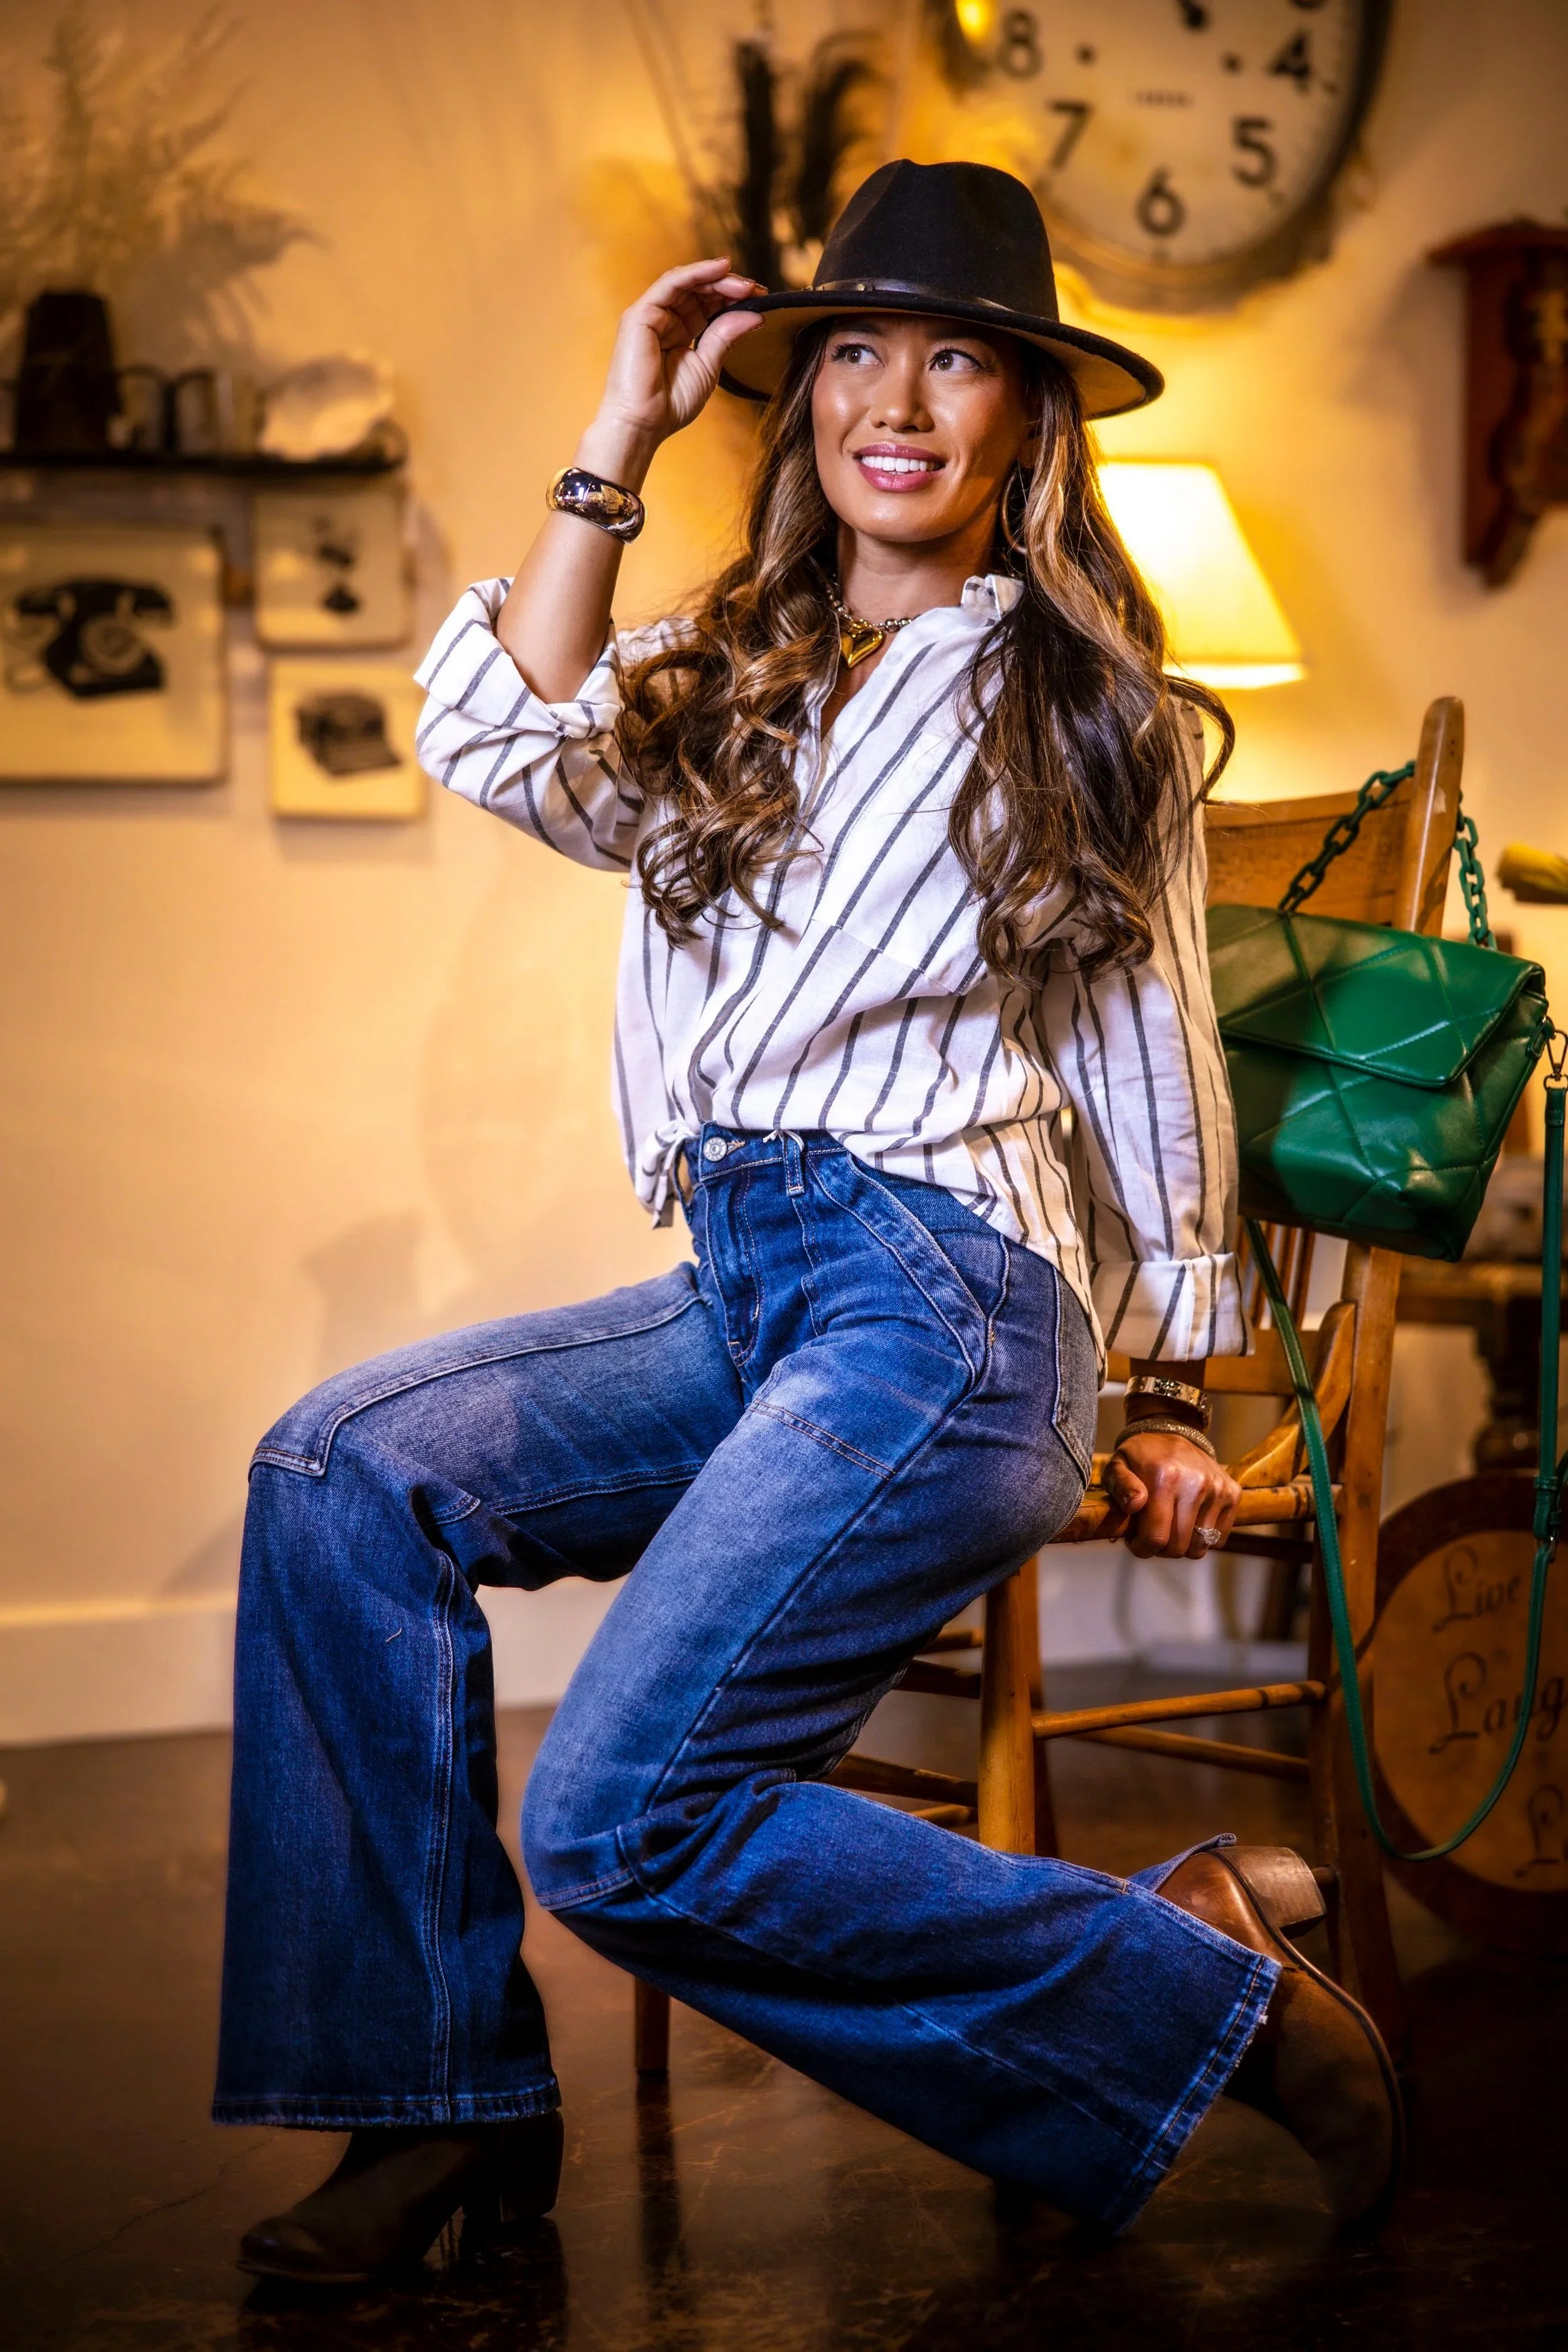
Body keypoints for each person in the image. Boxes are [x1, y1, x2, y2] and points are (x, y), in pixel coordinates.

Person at [218, 162, 1401, 2285]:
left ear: (1030, 416)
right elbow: (498, 731)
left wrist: (1169, 1397)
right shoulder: (725, 668)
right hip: (749, 1287)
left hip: (954, 1303)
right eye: (856, 347)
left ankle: (1185, 1992)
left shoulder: (1075, 700)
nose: (900, 398)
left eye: (959, 357)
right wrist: (618, 434)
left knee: (613, 1818)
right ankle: (429, 2116)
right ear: (800, 396)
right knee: (337, 1466)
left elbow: (1153, 1084)